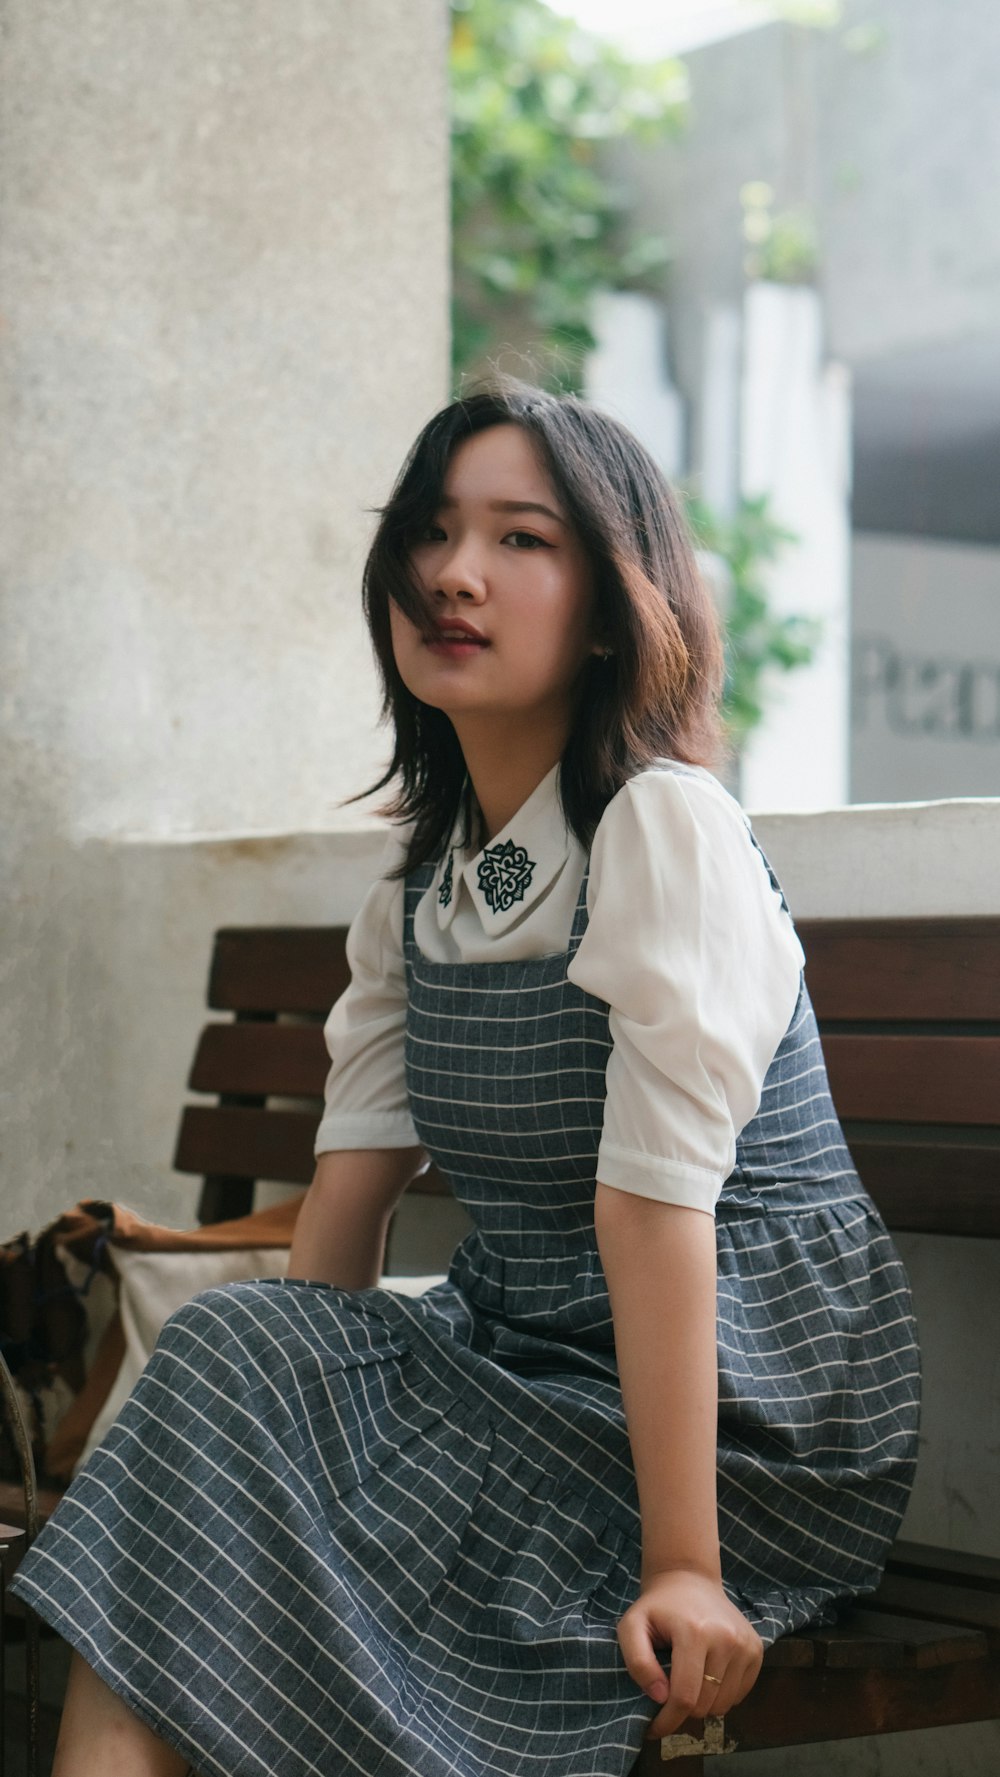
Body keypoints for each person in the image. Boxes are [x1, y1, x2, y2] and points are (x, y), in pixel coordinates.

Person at [14, 382, 920, 1777]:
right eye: (433, 534)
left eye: (522, 539)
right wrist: (287, 1439)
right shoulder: (420, 892)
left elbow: (654, 1215)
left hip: (735, 1429)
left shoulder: (662, 831)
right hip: (522, 1369)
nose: (455, 573)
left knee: (224, 1386)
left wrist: (685, 1564)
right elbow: (346, 1211)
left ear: (617, 600)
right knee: (227, 1371)